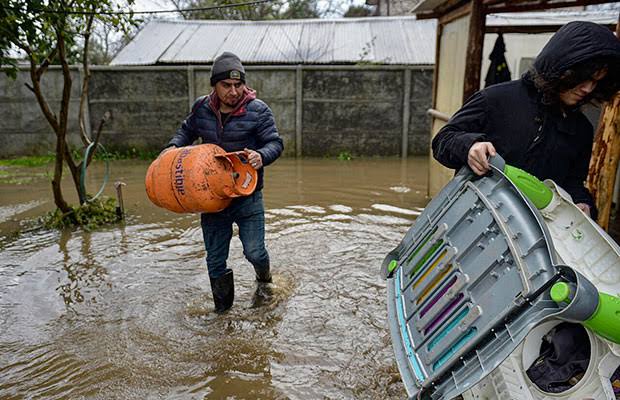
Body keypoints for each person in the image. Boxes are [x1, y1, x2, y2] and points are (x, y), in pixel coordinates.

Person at [432, 21, 620, 219]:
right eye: (583, 78)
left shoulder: (581, 129)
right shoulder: (495, 99)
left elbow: (573, 183)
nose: (588, 89)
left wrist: (583, 204)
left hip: (530, 237)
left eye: (596, 82)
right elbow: (443, 140)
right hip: (469, 221)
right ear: (561, 66)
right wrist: (469, 147)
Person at [165, 52, 284, 313]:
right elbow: (186, 130)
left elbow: (275, 143)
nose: (233, 91)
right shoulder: (201, 108)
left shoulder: (258, 110)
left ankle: (264, 281)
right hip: (212, 199)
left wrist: (260, 156)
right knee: (215, 260)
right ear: (214, 86)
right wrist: (173, 148)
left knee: (254, 252)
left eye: (238, 85)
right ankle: (222, 314)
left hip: (248, 196)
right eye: (226, 85)